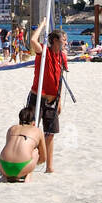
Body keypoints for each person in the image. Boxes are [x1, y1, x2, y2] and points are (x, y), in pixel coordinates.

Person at [27, 18, 67, 174]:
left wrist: (59, 101)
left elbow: (60, 79)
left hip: (52, 100)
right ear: (55, 40)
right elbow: (32, 40)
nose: (65, 42)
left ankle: (49, 167)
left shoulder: (62, 57)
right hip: (37, 97)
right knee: (31, 131)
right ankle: (28, 163)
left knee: (50, 134)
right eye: (63, 40)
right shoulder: (44, 52)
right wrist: (42, 25)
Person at [0, 105, 46, 182]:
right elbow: (43, 158)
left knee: (11, 148)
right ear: (33, 123)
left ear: (19, 120)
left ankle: (5, 176)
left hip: (3, 167)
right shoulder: (38, 131)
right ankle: (28, 174)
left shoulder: (12, 128)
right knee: (35, 151)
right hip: (22, 167)